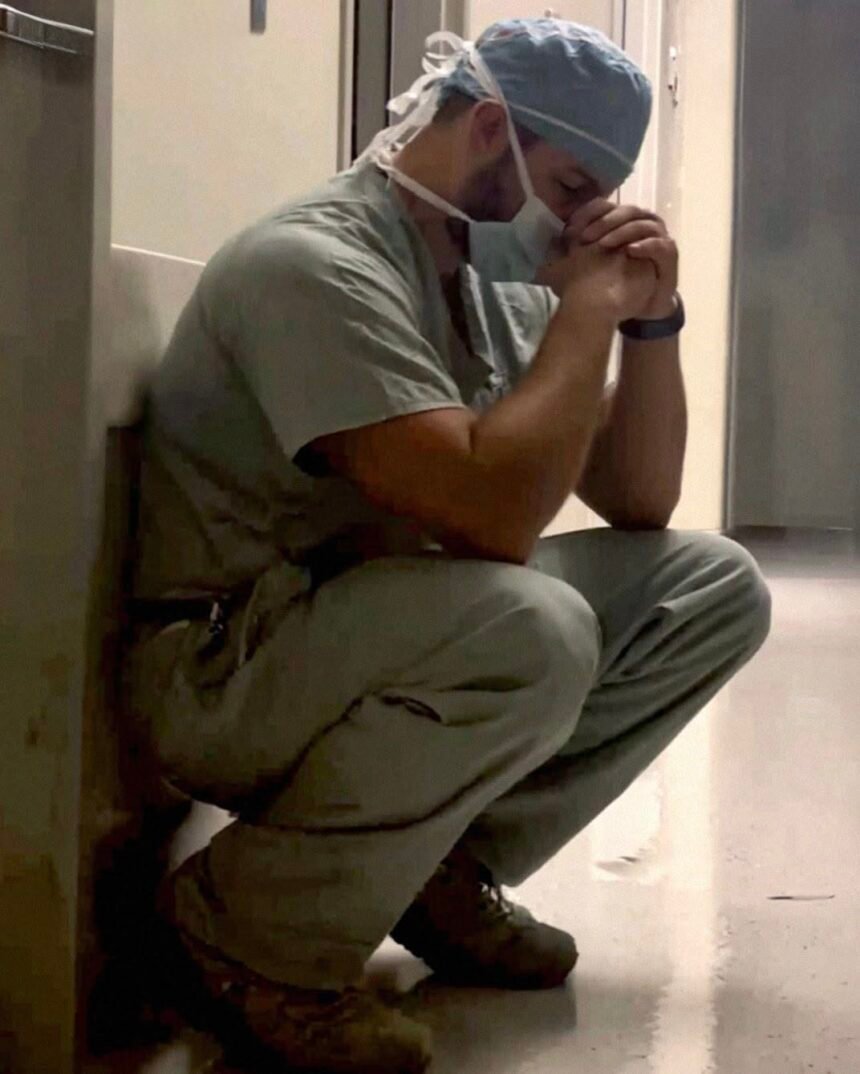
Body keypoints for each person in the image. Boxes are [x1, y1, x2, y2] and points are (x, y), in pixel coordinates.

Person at [125, 18, 771, 1074]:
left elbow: (639, 500)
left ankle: (437, 871)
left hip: (357, 630)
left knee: (708, 587)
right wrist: (584, 314)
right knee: (534, 627)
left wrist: (649, 323)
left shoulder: (482, 285)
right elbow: (491, 519)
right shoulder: (313, 266)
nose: (580, 228)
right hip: (220, 667)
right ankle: (255, 932)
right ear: (486, 130)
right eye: (570, 191)